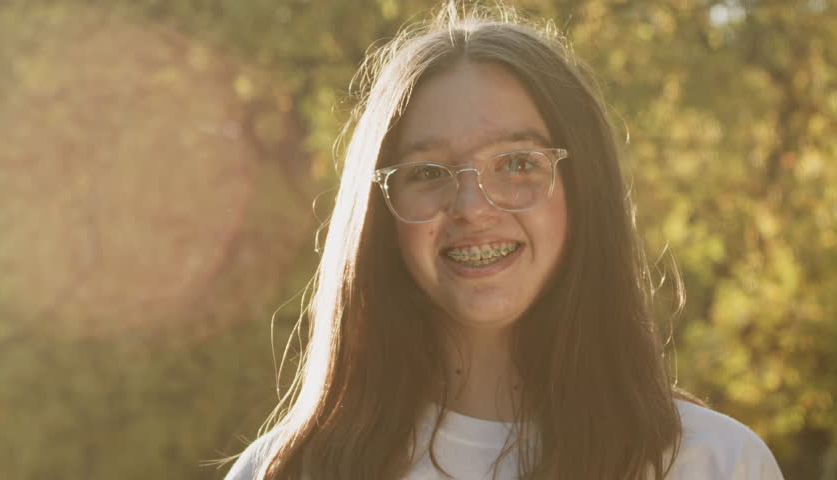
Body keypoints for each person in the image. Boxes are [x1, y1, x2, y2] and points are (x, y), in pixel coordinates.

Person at [225, 3, 784, 479]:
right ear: (378, 215)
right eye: (428, 172)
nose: (472, 207)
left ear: (584, 188)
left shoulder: (716, 464)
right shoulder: (283, 471)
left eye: (518, 163)